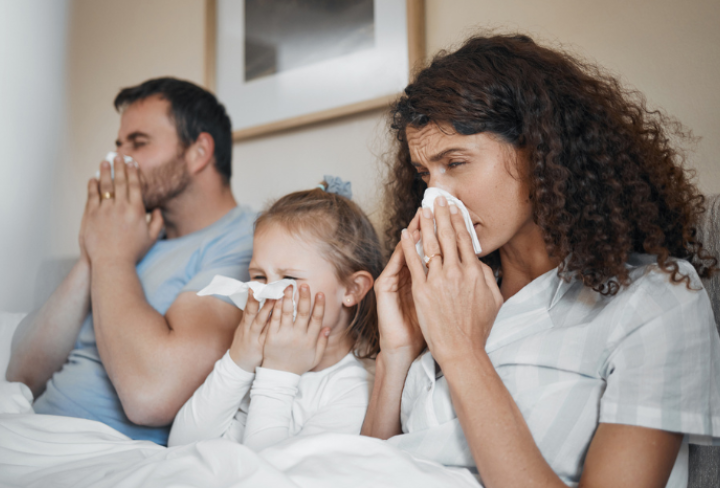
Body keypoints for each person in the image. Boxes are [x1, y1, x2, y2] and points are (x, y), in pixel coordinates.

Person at [361, 34, 720, 487]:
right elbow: (363, 468)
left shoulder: (654, 301)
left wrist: (464, 353)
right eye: (424, 174)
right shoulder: (446, 295)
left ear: (540, 151)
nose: (435, 198)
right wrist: (397, 352)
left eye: (455, 162)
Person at [6, 77, 255, 446]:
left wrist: (111, 256)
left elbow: (151, 396)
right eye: (118, 145)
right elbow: (21, 375)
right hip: (29, 426)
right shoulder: (127, 235)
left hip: (92, 450)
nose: (116, 160)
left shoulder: (248, 240)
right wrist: (95, 247)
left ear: (199, 152)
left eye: (138, 143)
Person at [168, 179, 381, 450]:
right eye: (258, 276)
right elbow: (181, 446)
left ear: (352, 288)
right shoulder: (255, 354)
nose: (265, 292)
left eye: (289, 278)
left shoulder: (355, 386)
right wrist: (237, 362)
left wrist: (280, 373)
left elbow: (269, 471)